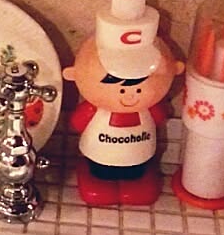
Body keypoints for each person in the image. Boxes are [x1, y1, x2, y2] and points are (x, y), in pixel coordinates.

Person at [63, 37, 184, 206]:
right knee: (101, 173)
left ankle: (133, 183)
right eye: (121, 90)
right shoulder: (94, 109)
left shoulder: (148, 108)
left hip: (139, 157)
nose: (130, 96)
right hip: (99, 157)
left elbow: (76, 123)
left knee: (136, 173)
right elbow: (77, 122)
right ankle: (102, 182)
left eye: (138, 89)